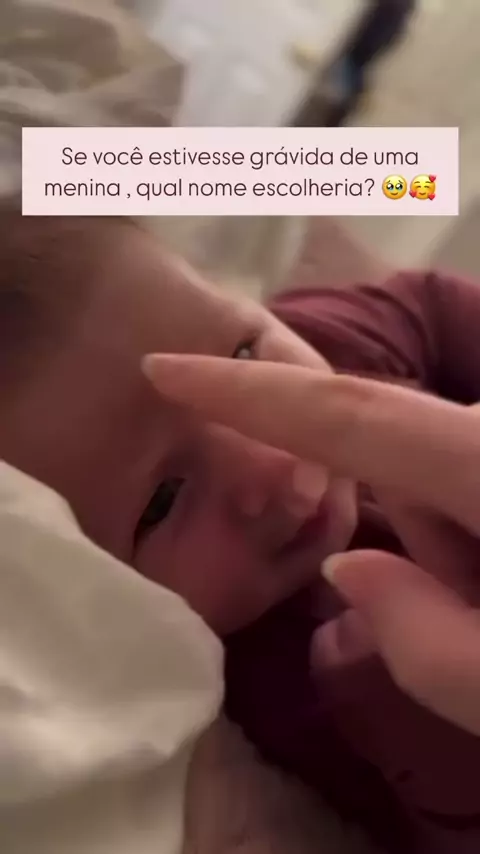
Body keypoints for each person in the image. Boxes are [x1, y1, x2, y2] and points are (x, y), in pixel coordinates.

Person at [1, 210, 480, 852]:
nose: (271, 462)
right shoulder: (290, 695)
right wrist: (441, 746)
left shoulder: (329, 341)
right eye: (164, 501)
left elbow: (427, 305)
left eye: (242, 360)